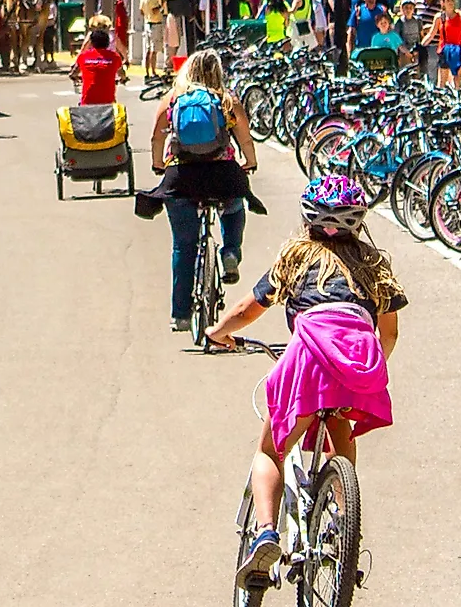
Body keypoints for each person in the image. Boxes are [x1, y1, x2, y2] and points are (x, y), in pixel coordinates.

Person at [207, 172, 407, 596]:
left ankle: (265, 534)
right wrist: (369, 368)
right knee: (340, 429)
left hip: (309, 355)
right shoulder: (373, 264)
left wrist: (219, 331)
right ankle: (338, 517)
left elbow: (248, 309)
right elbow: (388, 334)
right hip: (359, 359)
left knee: (272, 449)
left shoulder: (296, 257)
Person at [146, 48, 257, 330]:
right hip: (221, 174)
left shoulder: (173, 99)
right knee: (233, 205)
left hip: (181, 175)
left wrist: (159, 164)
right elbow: (244, 138)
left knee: (183, 246)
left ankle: (180, 314)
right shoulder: (226, 100)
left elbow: (156, 139)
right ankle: (230, 250)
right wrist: (250, 162)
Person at [72, 25, 123, 105]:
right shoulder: (115, 57)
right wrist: (123, 78)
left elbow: (74, 72)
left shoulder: (83, 56)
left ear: (92, 43)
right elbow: (121, 73)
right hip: (108, 102)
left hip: (87, 101)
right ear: (107, 43)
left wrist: (74, 77)